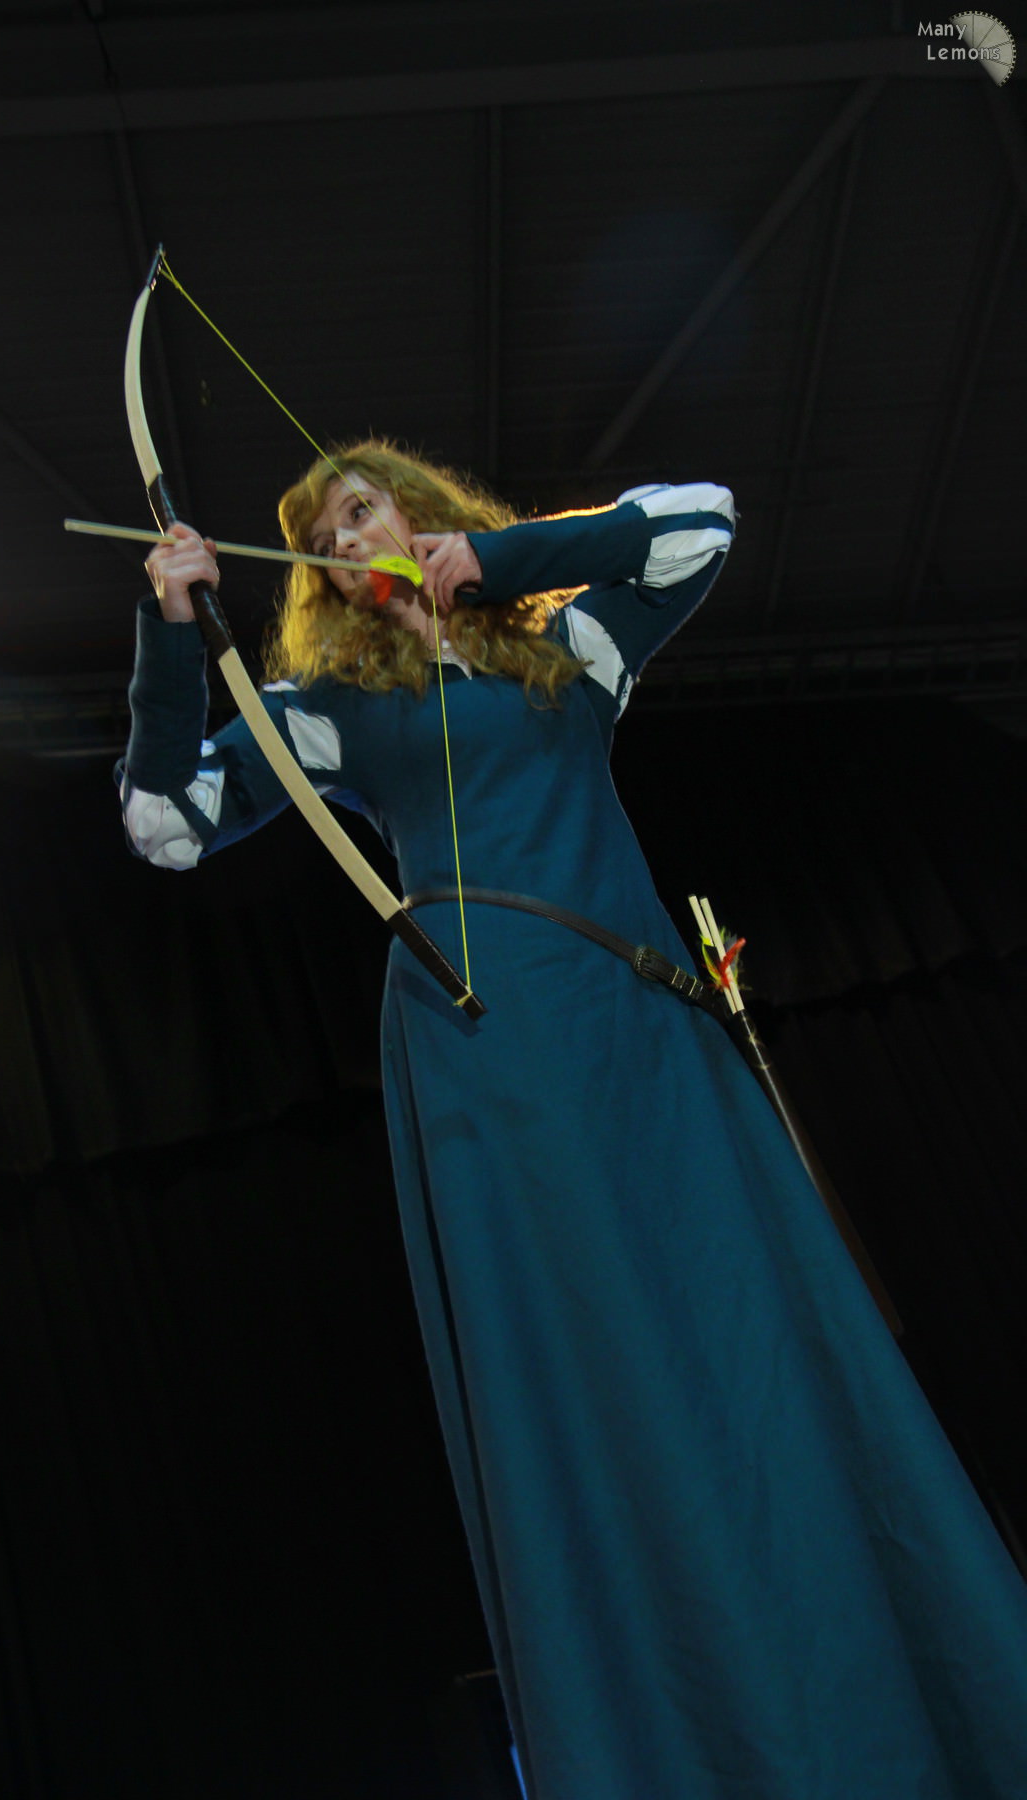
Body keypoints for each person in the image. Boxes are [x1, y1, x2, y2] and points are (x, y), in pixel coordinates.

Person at [119, 441, 1027, 1800]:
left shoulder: (564, 655)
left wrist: (498, 562)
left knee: (752, 1330)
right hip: (499, 1050)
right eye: (320, 536)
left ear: (420, 512)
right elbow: (164, 822)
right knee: (597, 1359)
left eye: (359, 508)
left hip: (644, 1030)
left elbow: (702, 520)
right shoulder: (333, 709)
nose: (342, 536)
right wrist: (168, 626)